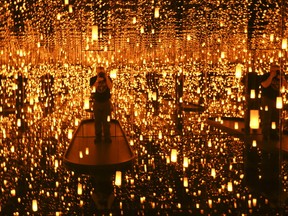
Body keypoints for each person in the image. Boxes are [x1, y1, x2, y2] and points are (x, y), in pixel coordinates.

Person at [260, 64, 287, 141]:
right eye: (274, 70)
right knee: (266, 117)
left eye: (277, 70)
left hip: (277, 100)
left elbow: (286, 87)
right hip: (267, 98)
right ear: (271, 70)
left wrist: (283, 79)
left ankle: (273, 133)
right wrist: (271, 76)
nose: (276, 72)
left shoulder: (280, 77)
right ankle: (265, 134)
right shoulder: (266, 76)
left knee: (276, 117)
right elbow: (264, 85)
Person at [90, 66, 113, 144]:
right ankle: (98, 137)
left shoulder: (108, 78)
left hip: (106, 102)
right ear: (96, 71)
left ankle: (107, 137)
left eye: (102, 71)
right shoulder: (93, 79)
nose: (101, 73)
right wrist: (97, 80)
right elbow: (93, 88)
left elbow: (110, 87)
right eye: (99, 71)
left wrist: (106, 78)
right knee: (97, 121)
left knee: (107, 121)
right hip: (97, 102)